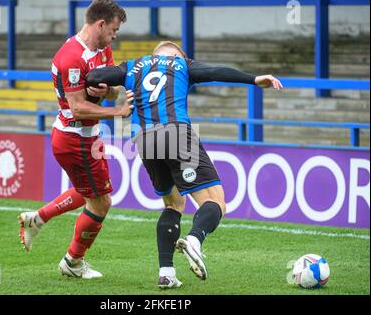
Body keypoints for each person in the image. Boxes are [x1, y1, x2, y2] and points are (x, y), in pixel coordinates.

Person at [86, 41, 283, 288]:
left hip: (143, 138)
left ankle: (166, 272)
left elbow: (95, 76)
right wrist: (254, 79)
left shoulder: (133, 66)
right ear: (177, 56)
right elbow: (215, 72)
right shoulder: (182, 65)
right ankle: (194, 240)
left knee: (174, 203)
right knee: (216, 201)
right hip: (177, 134)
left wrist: (99, 87)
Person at [18, 0, 133, 279]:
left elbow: (101, 93)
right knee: (101, 202)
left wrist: (103, 92)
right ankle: (72, 262)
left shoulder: (102, 51)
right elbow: (78, 108)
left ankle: (37, 219)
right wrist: (120, 112)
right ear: (101, 24)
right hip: (74, 139)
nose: (115, 36)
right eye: (114, 30)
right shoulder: (71, 56)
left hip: (87, 137)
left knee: (88, 192)